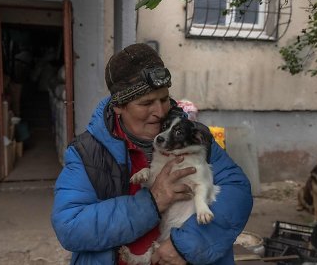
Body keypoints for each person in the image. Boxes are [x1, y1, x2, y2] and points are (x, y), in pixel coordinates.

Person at [51, 43, 253, 265]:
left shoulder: (195, 137)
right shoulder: (88, 151)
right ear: (119, 106)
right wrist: (152, 202)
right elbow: (70, 226)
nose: (159, 112)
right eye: (146, 103)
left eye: (164, 98)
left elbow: (237, 190)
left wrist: (185, 245)